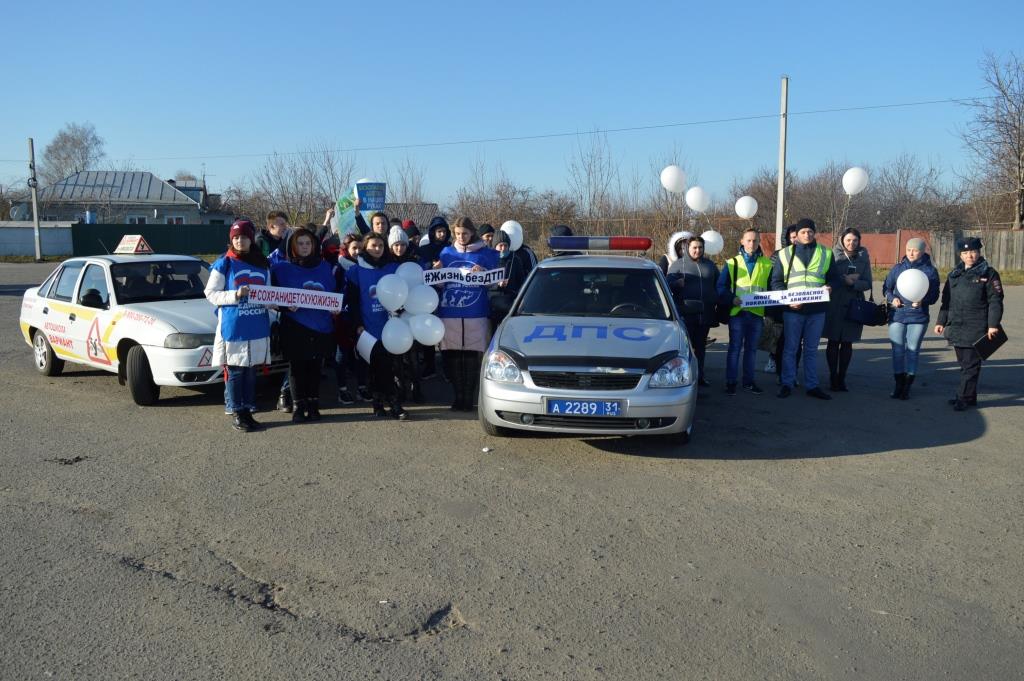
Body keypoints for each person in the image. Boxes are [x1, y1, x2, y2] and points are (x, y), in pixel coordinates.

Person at [205, 220, 272, 432]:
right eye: (235, 238)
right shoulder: (225, 262)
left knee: (251, 370)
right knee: (235, 371)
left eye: (243, 237)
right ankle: (236, 411)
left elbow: (269, 293)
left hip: (257, 324)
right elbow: (211, 294)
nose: (239, 241)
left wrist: (281, 304)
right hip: (234, 326)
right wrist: (235, 294)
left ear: (251, 239)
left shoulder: (261, 263)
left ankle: (247, 411)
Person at [271, 227, 339, 421]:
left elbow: (334, 294)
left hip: (321, 325)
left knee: (315, 368)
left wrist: (335, 307)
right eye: (300, 243)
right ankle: (299, 406)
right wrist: (284, 307)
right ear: (293, 246)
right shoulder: (280, 269)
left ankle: (314, 405)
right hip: (295, 325)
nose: (304, 247)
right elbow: (271, 297)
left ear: (314, 245)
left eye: (308, 243)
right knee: (297, 368)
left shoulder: (325, 267)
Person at [770, 218, 841, 399]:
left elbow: (834, 278)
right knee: (790, 348)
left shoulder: (825, 253)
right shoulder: (785, 254)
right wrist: (787, 301)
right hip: (793, 310)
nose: (807, 234)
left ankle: (812, 385)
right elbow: (776, 282)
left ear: (814, 232)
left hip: (817, 311)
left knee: (811, 349)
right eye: (803, 232)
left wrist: (830, 287)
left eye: (810, 231)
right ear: (798, 234)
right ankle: (787, 382)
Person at [435, 217, 499, 411]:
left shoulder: (486, 253)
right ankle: (457, 396)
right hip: (450, 313)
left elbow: (494, 283)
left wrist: (483, 273)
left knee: (471, 357)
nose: (461, 237)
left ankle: (468, 398)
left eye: (464, 233)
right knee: (453, 356)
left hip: (476, 313)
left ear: (472, 233)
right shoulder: (446, 252)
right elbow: (438, 284)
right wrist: (435, 271)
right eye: (457, 234)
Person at [935, 237, 1004, 411]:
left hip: (977, 325)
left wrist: (993, 324)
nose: (969, 256)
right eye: (965, 253)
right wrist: (940, 321)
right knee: (964, 364)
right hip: (957, 326)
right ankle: (969, 396)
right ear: (960, 255)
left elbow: (995, 301)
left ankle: (963, 397)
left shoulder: (989, 273)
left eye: (973, 252)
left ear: (979, 252)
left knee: (970, 365)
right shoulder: (954, 274)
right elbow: (946, 301)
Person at [346, 232, 408, 419]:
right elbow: (353, 301)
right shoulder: (355, 271)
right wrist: (357, 325)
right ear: (365, 247)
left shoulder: (393, 268)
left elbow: (405, 293)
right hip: (367, 327)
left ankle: (392, 402)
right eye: (373, 245)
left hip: (391, 327)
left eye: (381, 245)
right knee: (374, 367)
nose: (378, 249)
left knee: (389, 366)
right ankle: (379, 402)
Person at [882, 237, 941, 400]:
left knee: (913, 351)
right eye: (908, 250)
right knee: (897, 350)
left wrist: (924, 300)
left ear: (923, 251)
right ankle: (898, 384)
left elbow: (934, 295)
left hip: (918, 316)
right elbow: (886, 288)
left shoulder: (930, 271)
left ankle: (908, 385)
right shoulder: (898, 268)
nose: (911, 253)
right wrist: (892, 298)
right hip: (897, 315)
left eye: (915, 250)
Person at [717, 228, 771, 395]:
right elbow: (720, 287)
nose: (752, 244)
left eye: (755, 241)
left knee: (751, 350)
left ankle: (748, 382)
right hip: (737, 313)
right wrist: (731, 298)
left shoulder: (767, 264)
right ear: (741, 241)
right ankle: (731, 382)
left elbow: (771, 288)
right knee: (734, 348)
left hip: (756, 314)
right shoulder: (732, 263)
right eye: (748, 240)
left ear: (759, 242)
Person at [823, 227, 873, 391]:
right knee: (833, 341)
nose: (851, 243)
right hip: (834, 303)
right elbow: (825, 277)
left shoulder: (863, 258)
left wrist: (855, 283)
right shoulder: (832, 256)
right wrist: (842, 279)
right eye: (848, 240)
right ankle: (832, 377)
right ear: (842, 240)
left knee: (847, 343)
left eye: (855, 240)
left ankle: (842, 378)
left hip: (854, 305)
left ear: (859, 241)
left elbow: (868, 283)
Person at [666, 235, 719, 388]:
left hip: (705, 314)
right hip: (685, 314)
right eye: (694, 247)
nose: (697, 250)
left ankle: (700, 376)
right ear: (687, 248)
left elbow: (720, 285)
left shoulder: (710, 265)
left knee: (701, 347)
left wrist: (715, 298)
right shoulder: (677, 265)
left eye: (700, 248)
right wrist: (676, 283)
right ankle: (684, 377)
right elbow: (666, 287)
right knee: (686, 348)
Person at [389, 226, 426, 403]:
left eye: (402, 244)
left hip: (411, 314)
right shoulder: (386, 264)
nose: (399, 248)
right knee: (396, 357)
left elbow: (420, 286)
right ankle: (400, 389)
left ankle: (416, 389)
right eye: (396, 245)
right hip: (393, 316)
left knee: (413, 357)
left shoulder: (414, 262)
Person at [488, 228, 531, 328]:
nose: (503, 248)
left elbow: (521, 281)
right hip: (492, 302)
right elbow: (484, 282)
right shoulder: (489, 260)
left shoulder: (515, 260)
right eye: (500, 246)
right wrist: (497, 285)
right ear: (495, 247)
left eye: (505, 245)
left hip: (509, 303)